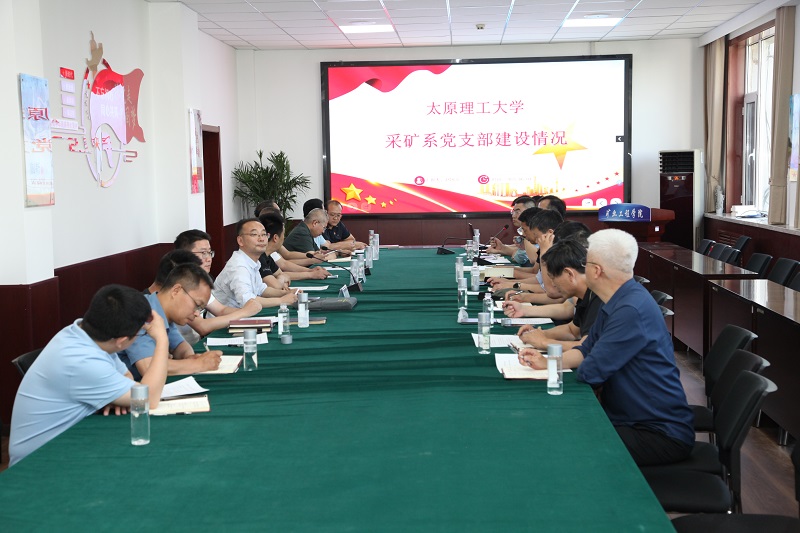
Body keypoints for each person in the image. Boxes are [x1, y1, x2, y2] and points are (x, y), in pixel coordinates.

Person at [518, 229, 694, 466]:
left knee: (561, 442)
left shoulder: (630, 310)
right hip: (630, 419)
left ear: (596, 270)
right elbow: (586, 348)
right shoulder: (617, 299)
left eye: (586, 263)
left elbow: (590, 371)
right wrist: (548, 362)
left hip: (656, 431)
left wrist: (556, 358)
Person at [9, 285, 170, 466]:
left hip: (67, 444)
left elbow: (127, 377)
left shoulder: (83, 331)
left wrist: (114, 396)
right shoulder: (82, 360)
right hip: (39, 462)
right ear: (122, 341)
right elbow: (149, 398)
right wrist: (161, 339)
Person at [119, 263, 222, 379]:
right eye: (197, 305)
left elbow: (179, 346)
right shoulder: (140, 311)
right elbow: (148, 367)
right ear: (176, 291)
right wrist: (198, 364)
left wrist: (190, 357)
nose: (197, 313)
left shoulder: (163, 310)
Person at [512, 237, 603, 351]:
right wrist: (540, 334)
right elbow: (572, 331)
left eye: (553, 278)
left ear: (569, 274)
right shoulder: (584, 295)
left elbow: (586, 348)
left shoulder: (599, 296)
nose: (553, 284)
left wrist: (544, 342)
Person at [172, 230, 262, 341]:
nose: (209, 259)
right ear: (185, 256)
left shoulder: (199, 280)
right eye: (203, 253)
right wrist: (245, 312)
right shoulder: (178, 285)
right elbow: (202, 327)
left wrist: (252, 314)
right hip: (187, 347)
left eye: (209, 252)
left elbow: (221, 310)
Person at [213, 218, 299, 309]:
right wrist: (281, 300)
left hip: (244, 313)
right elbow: (247, 300)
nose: (261, 239)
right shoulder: (238, 266)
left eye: (264, 234)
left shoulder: (253, 260)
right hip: (226, 317)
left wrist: (286, 293)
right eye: (254, 234)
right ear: (240, 241)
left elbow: (262, 289)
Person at [487, 196, 537, 266]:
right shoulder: (523, 231)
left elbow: (528, 257)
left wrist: (503, 249)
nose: (513, 216)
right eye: (513, 212)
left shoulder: (536, 232)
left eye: (517, 212)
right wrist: (502, 248)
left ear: (530, 212)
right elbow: (518, 256)